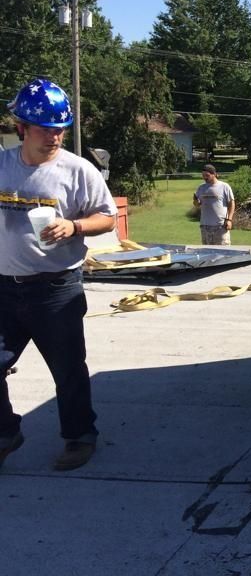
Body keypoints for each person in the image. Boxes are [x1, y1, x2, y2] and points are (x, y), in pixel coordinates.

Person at [0, 78, 117, 471]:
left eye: (60, 128)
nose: (54, 136)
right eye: (46, 129)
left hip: (56, 290)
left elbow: (107, 217)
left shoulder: (78, 170)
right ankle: (5, 432)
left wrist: (75, 227)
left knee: (68, 370)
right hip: (4, 287)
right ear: (21, 127)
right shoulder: (2, 165)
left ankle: (80, 438)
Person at [193, 163, 235, 245]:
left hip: (221, 227)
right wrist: (196, 202)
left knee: (223, 254)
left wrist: (229, 220)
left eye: (207, 175)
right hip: (205, 227)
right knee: (207, 254)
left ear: (214, 174)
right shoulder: (201, 188)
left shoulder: (224, 186)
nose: (205, 177)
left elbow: (231, 203)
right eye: (203, 175)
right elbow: (197, 205)